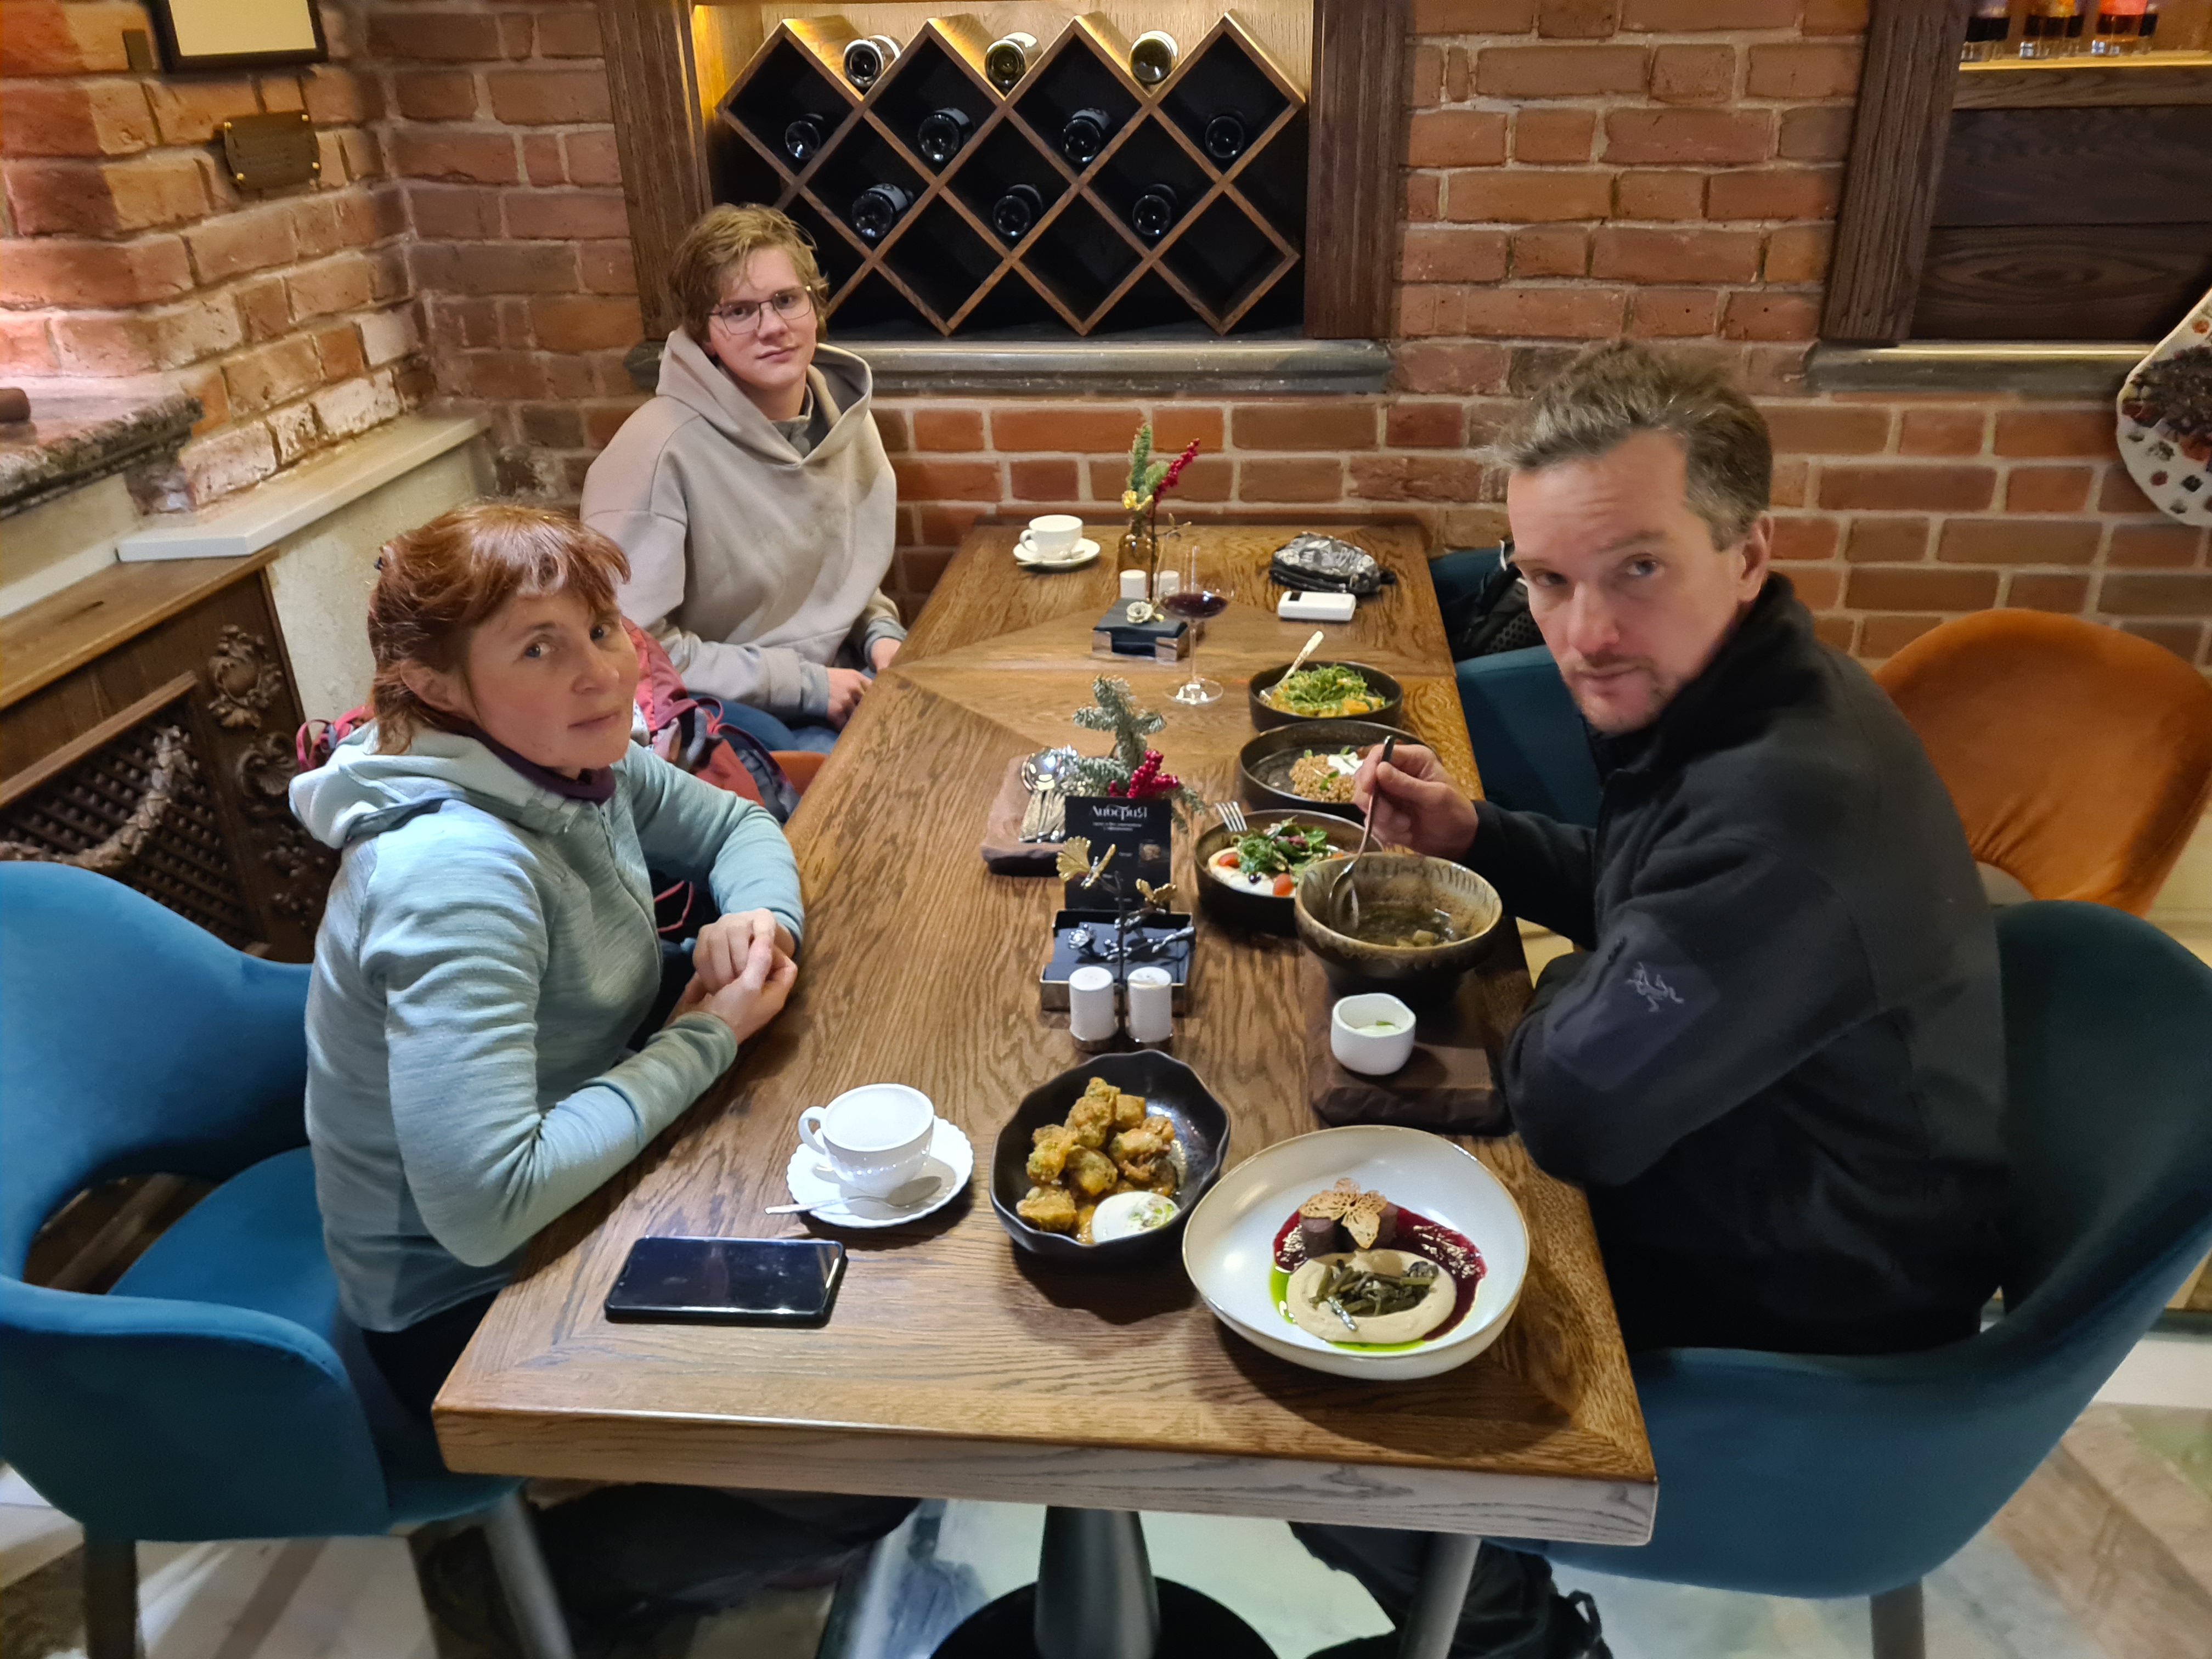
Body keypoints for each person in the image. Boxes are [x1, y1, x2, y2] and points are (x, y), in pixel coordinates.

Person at [1296, 342, 2009, 1659]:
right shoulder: (1752, 692)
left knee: (1330, 1384)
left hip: (1808, 1310)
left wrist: (1580, 988)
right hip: (1772, 1162)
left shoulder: (1785, 806)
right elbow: (1650, 899)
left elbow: (1574, 1110)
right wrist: (1481, 837)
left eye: (1636, 568)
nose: (1583, 635)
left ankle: (1520, 1643)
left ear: (1747, 551)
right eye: (1548, 579)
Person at [290, 504, 910, 1640]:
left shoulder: (571, 762)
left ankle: (713, 1508)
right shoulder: (456, 873)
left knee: (871, 1274)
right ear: (430, 683)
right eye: (539, 647)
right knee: (870, 1442)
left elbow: (737, 832)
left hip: (584, 1158)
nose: (602, 672)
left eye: (600, 628)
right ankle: (551, 1579)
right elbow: (487, 1205)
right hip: (466, 1296)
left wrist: (759, 925)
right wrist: (706, 1036)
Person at [582, 204, 904, 756]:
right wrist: (805, 685)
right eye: (738, 311)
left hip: (846, 676)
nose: (772, 327)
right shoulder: (654, 451)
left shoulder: (843, 418)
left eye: (787, 300)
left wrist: (881, 635)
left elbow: (842, 578)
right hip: (737, 711)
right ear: (704, 334)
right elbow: (632, 647)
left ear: (815, 305)